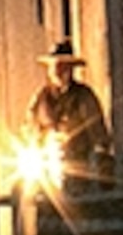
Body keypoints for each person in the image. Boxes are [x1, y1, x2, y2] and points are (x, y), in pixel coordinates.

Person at [26, 38, 113, 182]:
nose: (58, 71)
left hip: (80, 169)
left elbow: (100, 137)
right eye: (55, 66)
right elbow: (30, 130)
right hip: (48, 169)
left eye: (63, 66)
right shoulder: (39, 99)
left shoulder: (84, 97)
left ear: (71, 69)